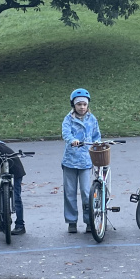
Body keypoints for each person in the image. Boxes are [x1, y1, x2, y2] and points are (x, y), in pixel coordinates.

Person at [61, 88, 101, 234]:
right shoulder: (68, 119)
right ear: (74, 105)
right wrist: (73, 140)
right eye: (79, 104)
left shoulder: (92, 118)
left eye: (84, 104)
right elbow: (66, 133)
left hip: (85, 160)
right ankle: (72, 221)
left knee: (86, 192)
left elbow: (97, 135)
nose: (82, 107)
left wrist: (97, 143)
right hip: (70, 161)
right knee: (70, 192)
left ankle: (89, 220)